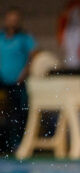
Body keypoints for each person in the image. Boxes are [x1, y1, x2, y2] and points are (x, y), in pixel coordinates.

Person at [0, 7, 38, 154]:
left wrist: (25, 72)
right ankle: (4, 145)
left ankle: (18, 145)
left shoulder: (25, 38)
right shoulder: (1, 37)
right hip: (2, 81)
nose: (13, 22)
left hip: (18, 82)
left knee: (19, 114)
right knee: (4, 115)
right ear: (6, 20)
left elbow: (33, 56)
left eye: (16, 20)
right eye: (10, 19)